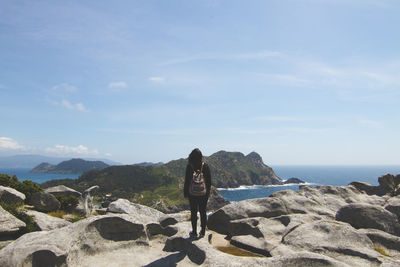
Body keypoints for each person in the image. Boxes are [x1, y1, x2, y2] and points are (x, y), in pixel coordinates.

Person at [184, 148, 211, 238]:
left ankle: (194, 231)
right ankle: (203, 231)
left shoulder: (190, 166)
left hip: (192, 193)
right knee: (203, 211)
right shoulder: (205, 166)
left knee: (194, 212)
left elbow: (187, 181)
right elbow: (209, 181)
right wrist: (207, 193)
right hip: (203, 193)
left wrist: (186, 193)